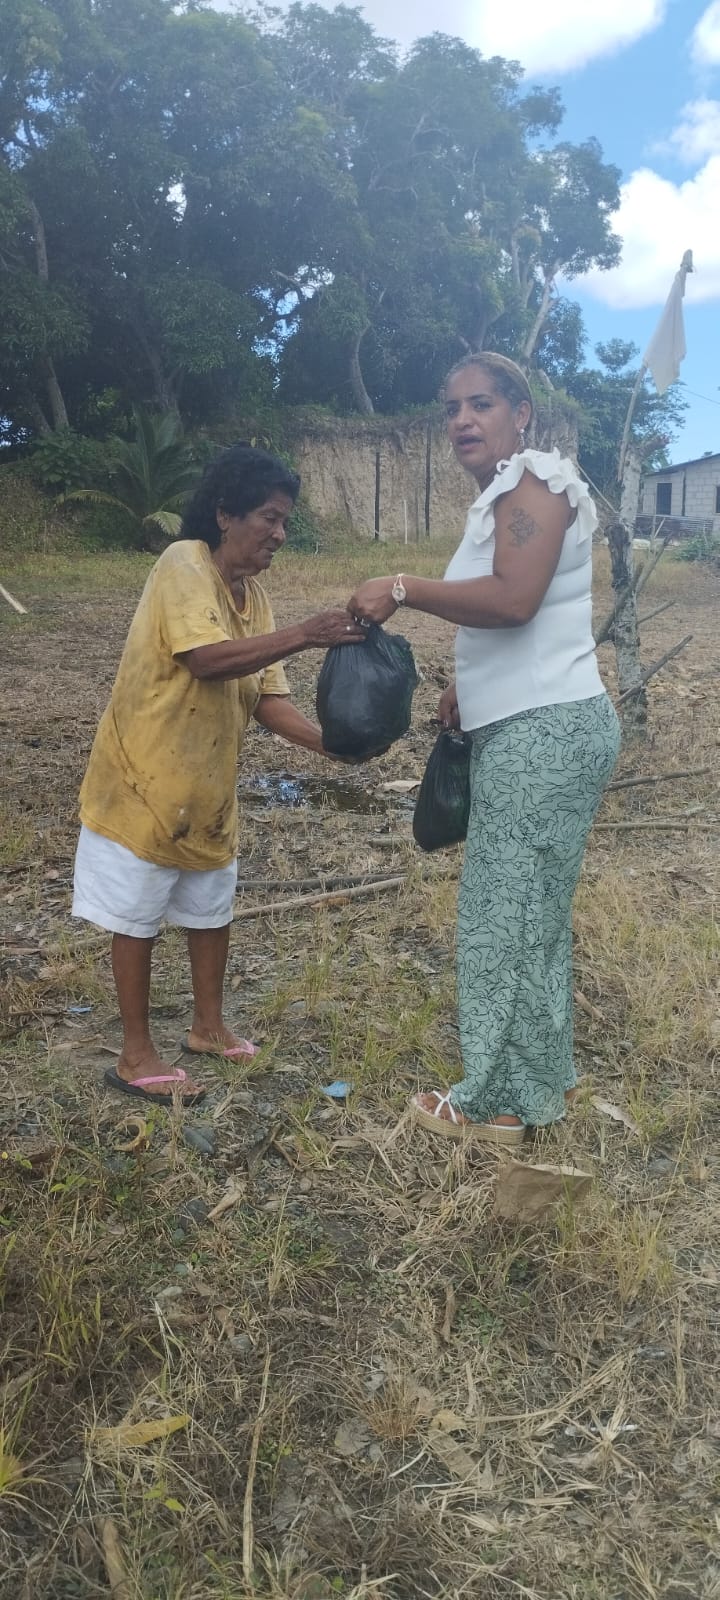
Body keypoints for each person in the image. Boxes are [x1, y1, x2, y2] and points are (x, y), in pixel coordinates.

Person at [348, 353, 620, 1147]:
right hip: (534, 723)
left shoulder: (534, 480)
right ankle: (539, 1081)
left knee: (502, 921)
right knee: (532, 916)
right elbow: (538, 613)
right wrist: (472, 687)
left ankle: (496, 1101)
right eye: (452, 408)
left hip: (544, 735)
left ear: (521, 413)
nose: (463, 421)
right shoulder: (504, 495)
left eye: (482, 405)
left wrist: (403, 587)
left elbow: (513, 598)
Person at [73, 443, 365, 1105]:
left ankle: (208, 1027)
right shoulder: (184, 563)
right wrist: (308, 632)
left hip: (205, 792)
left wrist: (332, 747)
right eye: (269, 518)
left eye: (285, 521)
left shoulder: (253, 596)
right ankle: (135, 1054)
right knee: (137, 918)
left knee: (210, 910)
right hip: (144, 781)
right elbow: (205, 659)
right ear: (226, 513)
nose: (280, 534)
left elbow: (266, 699)